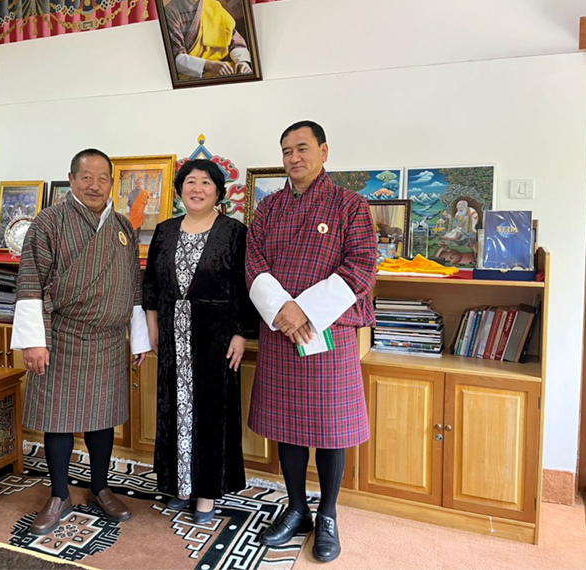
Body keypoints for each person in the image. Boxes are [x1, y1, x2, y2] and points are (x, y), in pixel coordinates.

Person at [245, 121, 377, 563]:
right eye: (286, 151)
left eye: (302, 148)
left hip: (327, 332)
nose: (293, 158)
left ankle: (329, 514)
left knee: (332, 430)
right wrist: (283, 310)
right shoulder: (269, 207)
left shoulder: (351, 205)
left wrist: (305, 311)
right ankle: (297, 508)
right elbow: (254, 263)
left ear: (324, 151)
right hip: (281, 329)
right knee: (288, 426)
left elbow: (362, 266)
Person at [10, 148, 151, 535]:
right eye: (86, 177)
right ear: (71, 180)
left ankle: (100, 488)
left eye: (103, 178)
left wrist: (138, 338)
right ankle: (59, 495)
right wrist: (34, 342)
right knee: (58, 420)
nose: (94, 185)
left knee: (102, 418)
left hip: (109, 338)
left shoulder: (121, 226)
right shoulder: (49, 222)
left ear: (112, 184)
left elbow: (133, 286)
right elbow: (30, 281)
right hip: (63, 335)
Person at [142, 159, 256, 523]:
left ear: (218, 191)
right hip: (171, 335)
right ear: (180, 190)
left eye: (206, 182)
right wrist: (152, 324)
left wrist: (240, 333)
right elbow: (151, 283)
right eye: (190, 181)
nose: (197, 188)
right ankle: (180, 485)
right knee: (174, 409)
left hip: (216, 337)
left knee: (211, 413)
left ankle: (207, 491)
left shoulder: (234, 232)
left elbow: (245, 286)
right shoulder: (165, 230)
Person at [164, 0, 253, 80]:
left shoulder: (213, 5)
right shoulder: (171, 11)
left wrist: (242, 62)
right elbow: (175, 59)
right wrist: (210, 65)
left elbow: (235, 41)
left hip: (223, 67)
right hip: (193, 72)